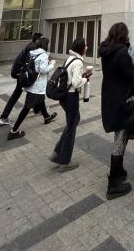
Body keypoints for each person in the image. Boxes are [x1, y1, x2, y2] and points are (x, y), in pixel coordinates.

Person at [100, 23, 134, 200]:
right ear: (123, 35)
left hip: (109, 96)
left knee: (121, 135)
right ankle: (113, 183)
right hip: (122, 99)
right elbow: (128, 75)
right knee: (120, 137)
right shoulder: (121, 54)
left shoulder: (106, 51)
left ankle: (119, 171)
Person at [50, 38, 92, 172]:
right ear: (81, 48)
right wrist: (86, 78)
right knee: (71, 127)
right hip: (71, 97)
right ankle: (64, 161)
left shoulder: (70, 59)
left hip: (64, 96)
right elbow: (76, 83)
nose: (87, 46)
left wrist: (82, 76)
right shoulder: (78, 62)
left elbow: (71, 77)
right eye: (85, 45)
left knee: (73, 122)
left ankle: (57, 153)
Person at [7, 37, 58, 140]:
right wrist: (52, 64)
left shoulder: (33, 53)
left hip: (33, 83)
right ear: (46, 45)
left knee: (41, 100)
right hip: (37, 85)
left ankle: (47, 117)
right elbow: (43, 70)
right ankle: (14, 131)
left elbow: (36, 67)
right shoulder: (43, 55)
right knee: (26, 107)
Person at [0, 32, 43, 126]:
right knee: (34, 93)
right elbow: (29, 64)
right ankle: (4, 117)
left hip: (21, 75)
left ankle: (40, 111)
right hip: (24, 76)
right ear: (37, 40)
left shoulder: (30, 46)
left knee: (31, 94)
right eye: (41, 39)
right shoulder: (33, 48)